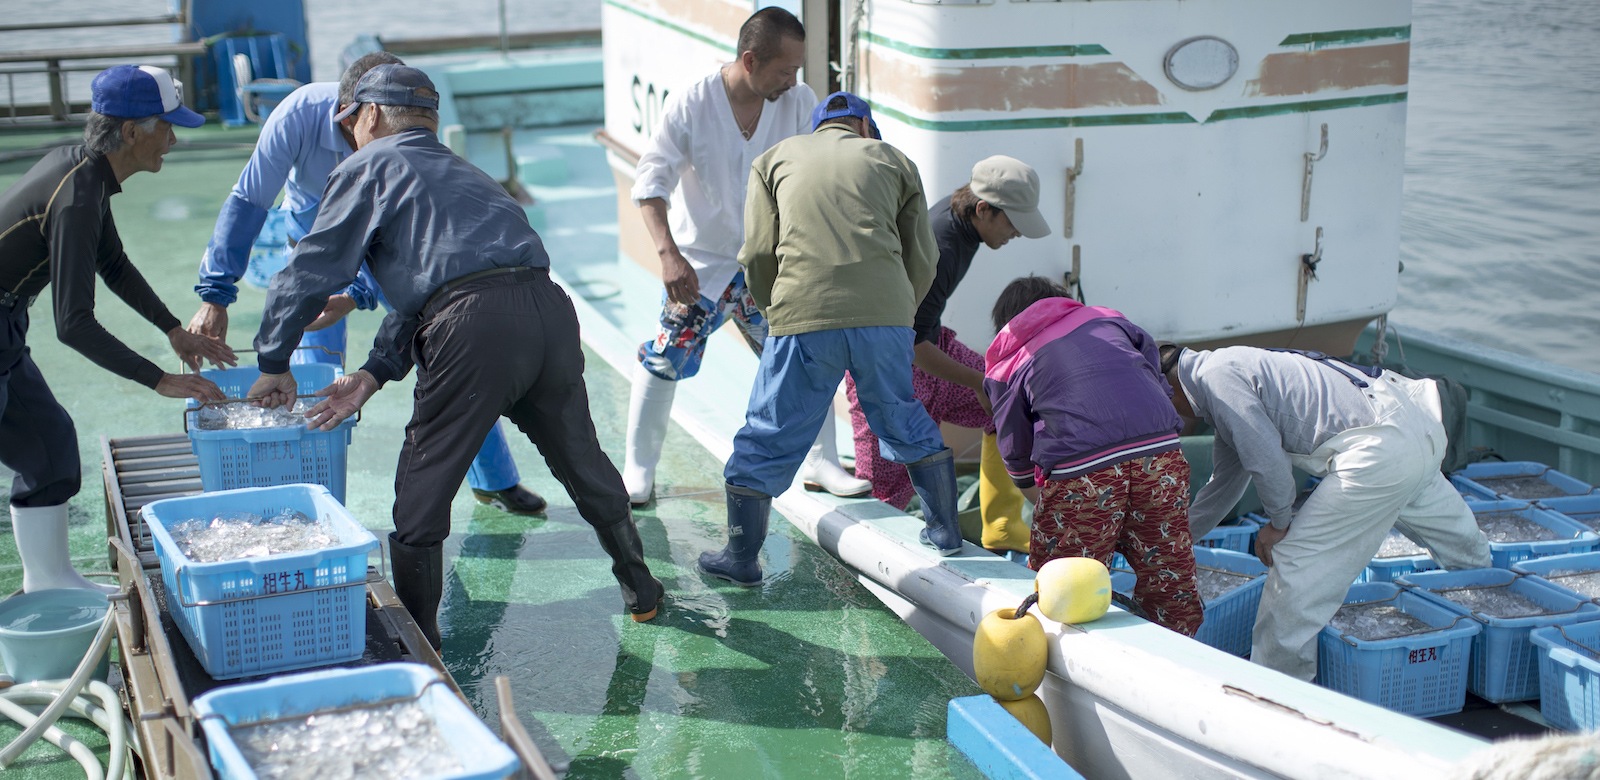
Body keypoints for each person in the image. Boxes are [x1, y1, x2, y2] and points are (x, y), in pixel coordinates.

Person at [246, 65, 662, 648]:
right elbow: (439, 285)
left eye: (351, 127)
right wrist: (372, 373)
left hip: (474, 328)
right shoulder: (469, 175)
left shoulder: (368, 164)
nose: (349, 139)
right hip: (549, 310)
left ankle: (420, 636)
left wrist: (272, 359)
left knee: (425, 478)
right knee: (579, 454)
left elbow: (314, 267)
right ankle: (641, 590)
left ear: (367, 116)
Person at [189, 52, 547, 516]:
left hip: (394, 250)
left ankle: (494, 479)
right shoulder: (295, 117)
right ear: (359, 112)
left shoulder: (400, 125)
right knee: (311, 372)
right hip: (316, 252)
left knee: (447, 353)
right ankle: (310, 499)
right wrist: (216, 293)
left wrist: (358, 294)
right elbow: (249, 201)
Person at [701, 91, 955, 586]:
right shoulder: (893, 159)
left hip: (802, 313)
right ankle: (944, 531)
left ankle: (742, 558)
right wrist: (898, 311)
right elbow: (923, 255)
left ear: (819, 128)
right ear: (864, 127)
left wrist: (778, 310)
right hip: (884, 317)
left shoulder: (771, 161)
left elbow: (755, 253)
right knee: (898, 414)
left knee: (769, 430)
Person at [623, 7, 870, 505]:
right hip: (702, 266)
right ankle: (637, 470)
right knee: (664, 357)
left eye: (798, 70)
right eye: (785, 70)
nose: (793, 80)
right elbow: (651, 183)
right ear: (750, 60)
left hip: (771, 267)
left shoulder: (799, 102)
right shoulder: (691, 103)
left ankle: (821, 461)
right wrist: (668, 256)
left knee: (807, 357)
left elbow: (821, 169)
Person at [0, 65, 231, 593]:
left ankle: (51, 582)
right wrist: (158, 379)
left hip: (6, 321)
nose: (172, 140)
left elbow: (115, 263)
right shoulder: (78, 194)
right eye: (166, 127)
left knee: (49, 445)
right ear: (130, 132)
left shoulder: (87, 172)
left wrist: (174, 329)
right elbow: (73, 324)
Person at [1164, 344, 1492, 679]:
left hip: (1379, 449)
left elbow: (1269, 463)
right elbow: (1225, 484)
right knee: (1463, 544)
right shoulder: (1227, 366)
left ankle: (1280, 692)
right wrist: (1174, 542)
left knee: (1295, 564)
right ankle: (1492, 619)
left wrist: (1279, 524)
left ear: (1168, 388)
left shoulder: (1216, 380)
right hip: (1418, 420)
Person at [845, 156, 1046, 556]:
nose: (1017, 234)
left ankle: (1003, 524)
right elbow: (913, 348)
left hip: (928, 345)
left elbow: (923, 336)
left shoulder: (966, 226)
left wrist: (989, 386)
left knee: (1005, 405)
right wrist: (979, 382)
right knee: (883, 493)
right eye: (1013, 223)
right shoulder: (941, 243)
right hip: (884, 366)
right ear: (984, 209)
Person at [984, 277, 1201, 635]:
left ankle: (1062, 672)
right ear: (1063, 302)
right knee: (1169, 578)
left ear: (1009, 322)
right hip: (1161, 456)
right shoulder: (1110, 321)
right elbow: (1154, 378)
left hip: (1083, 472)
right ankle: (1180, 657)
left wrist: (1039, 497)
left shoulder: (1011, 358)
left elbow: (1014, 446)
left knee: (1063, 587)